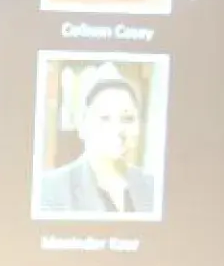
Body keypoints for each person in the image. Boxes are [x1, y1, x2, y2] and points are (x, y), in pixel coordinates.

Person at [37, 64, 158, 216]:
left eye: (127, 118)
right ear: (82, 126)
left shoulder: (152, 188)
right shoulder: (50, 189)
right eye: (105, 118)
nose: (118, 129)